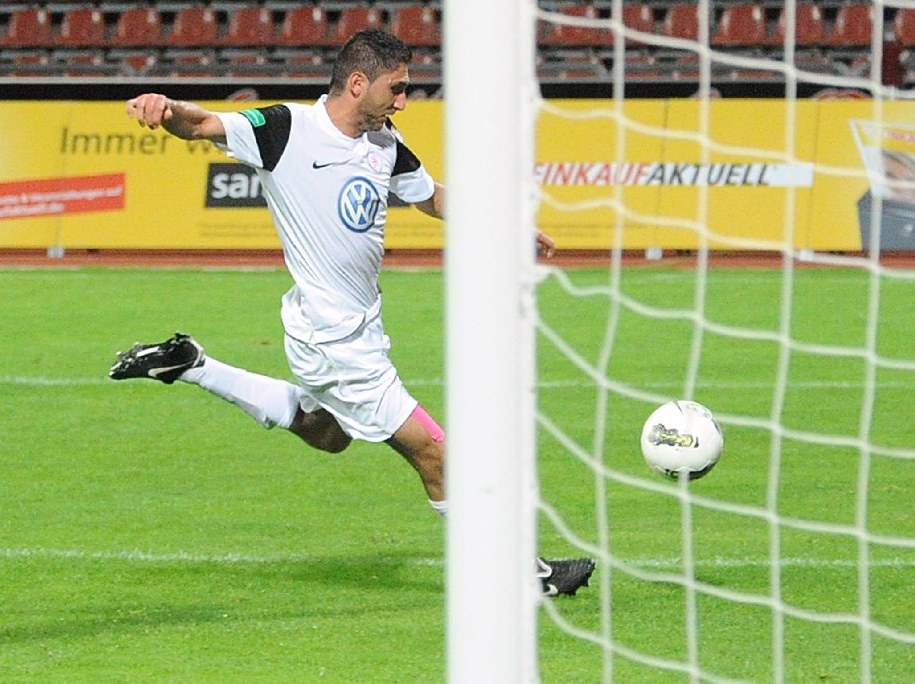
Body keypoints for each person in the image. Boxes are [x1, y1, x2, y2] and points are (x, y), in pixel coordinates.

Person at [109, 29, 594, 597]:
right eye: (397, 88)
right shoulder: (286, 129)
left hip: (347, 330)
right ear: (358, 82)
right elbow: (201, 125)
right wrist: (165, 108)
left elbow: (430, 195)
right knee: (436, 453)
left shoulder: (384, 142)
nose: (404, 101)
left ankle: (193, 365)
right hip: (335, 339)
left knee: (328, 434)